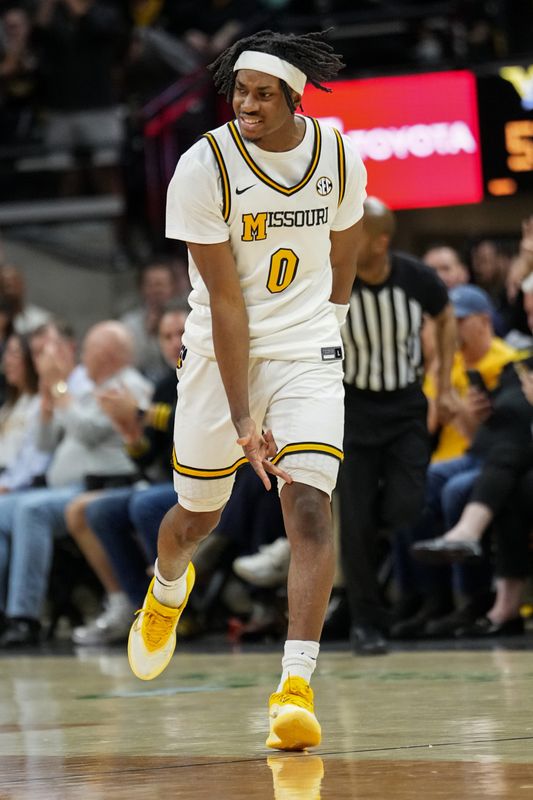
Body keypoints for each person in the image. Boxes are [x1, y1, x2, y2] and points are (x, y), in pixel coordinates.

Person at [127, 29, 366, 753]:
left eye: (263, 93)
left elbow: (346, 245)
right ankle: (167, 589)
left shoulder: (335, 155)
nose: (247, 104)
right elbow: (226, 304)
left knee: (309, 508)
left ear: (294, 98)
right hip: (219, 358)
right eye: (239, 92)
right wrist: (241, 418)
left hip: (305, 353)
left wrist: (331, 324)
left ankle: (294, 689)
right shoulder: (204, 166)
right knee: (195, 520)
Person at [336, 196, 456, 655]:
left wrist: (443, 384)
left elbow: (445, 317)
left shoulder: (415, 278)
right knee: (355, 521)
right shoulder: (334, 278)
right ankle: (367, 623)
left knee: (408, 506)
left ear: (380, 241)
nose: (342, 238)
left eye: (354, 232)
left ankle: (376, 550)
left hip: (405, 405)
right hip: (354, 408)